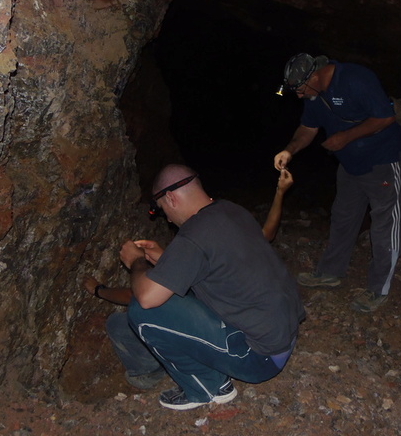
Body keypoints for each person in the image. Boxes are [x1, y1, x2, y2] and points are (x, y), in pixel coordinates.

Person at [85, 168, 296, 394]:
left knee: (141, 311)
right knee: (120, 324)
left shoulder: (193, 236)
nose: (165, 217)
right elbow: (215, 264)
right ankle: (158, 367)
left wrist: (137, 262)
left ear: (171, 198)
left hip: (257, 357)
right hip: (282, 336)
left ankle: (208, 386)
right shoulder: (232, 211)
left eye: (160, 208)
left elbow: (145, 298)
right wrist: (167, 260)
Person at [274, 53, 401, 313]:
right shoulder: (314, 95)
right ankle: (330, 272)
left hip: (383, 160)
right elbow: (307, 128)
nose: (300, 96)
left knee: (385, 222)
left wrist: (345, 137)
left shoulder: (355, 79)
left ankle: (378, 289)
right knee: (343, 215)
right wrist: (289, 150)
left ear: (314, 76)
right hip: (349, 164)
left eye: (300, 90)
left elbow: (385, 116)